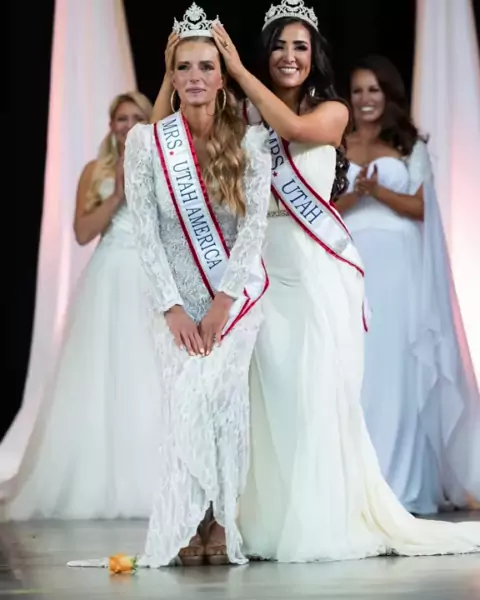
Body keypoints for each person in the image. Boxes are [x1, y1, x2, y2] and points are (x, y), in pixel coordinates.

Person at [212, 0, 479, 562]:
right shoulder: (245, 116)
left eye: (301, 47)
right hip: (264, 271)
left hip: (315, 271)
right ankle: (271, 522)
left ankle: (321, 520)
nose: (289, 56)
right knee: (271, 399)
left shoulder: (331, 111)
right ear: (267, 53)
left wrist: (238, 71)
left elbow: (294, 129)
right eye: (279, 46)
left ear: (315, 56)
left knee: (314, 394)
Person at [68, 3, 271, 569]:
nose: (196, 77)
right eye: (185, 67)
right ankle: (189, 517)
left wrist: (223, 302)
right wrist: (173, 306)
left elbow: (255, 227)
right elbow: (147, 232)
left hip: (234, 295)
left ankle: (221, 520)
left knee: (222, 399)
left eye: (206, 66)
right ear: (171, 75)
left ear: (222, 76)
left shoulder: (252, 142)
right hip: (174, 299)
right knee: (184, 403)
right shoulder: (147, 144)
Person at [1, 92, 164, 520]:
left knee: (146, 374)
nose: (128, 125)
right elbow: (81, 232)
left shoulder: (167, 164)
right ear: (111, 126)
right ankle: (95, 477)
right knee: (100, 375)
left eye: (137, 117)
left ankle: (153, 476)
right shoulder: (96, 171)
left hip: (151, 277)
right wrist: (118, 195)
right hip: (108, 277)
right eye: (121, 118)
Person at [337, 55, 480, 515]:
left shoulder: (408, 143)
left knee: (396, 365)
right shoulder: (338, 142)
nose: (365, 99)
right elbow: (322, 207)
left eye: (374, 89)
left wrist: (378, 193)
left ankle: (402, 483)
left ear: (388, 94)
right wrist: (354, 196)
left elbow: (423, 209)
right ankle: (355, 485)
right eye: (358, 90)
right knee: (357, 367)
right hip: (350, 262)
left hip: (398, 267)